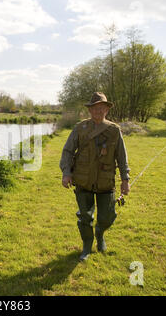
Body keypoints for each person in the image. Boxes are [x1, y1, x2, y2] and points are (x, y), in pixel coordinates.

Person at [60, 92, 131, 261]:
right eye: (95, 108)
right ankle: (86, 247)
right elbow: (68, 151)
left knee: (107, 216)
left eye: (102, 108)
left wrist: (125, 179)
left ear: (106, 109)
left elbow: (122, 156)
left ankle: (100, 233)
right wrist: (66, 173)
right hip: (83, 180)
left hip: (106, 181)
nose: (98, 111)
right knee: (85, 217)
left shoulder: (114, 130)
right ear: (90, 110)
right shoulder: (80, 128)